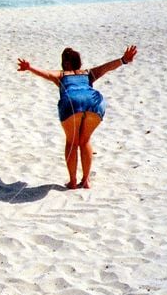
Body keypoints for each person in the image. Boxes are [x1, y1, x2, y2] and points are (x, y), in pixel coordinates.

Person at [17, 45, 137, 189]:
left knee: (72, 142)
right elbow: (107, 67)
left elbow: (47, 74)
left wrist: (29, 68)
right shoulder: (88, 73)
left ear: (64, 63)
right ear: (79, 62)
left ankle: (73, 182)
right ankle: (86, 181)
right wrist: (123, 60)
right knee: (85, 140)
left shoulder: (62, 75)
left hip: (71, 102)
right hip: (95, 102)